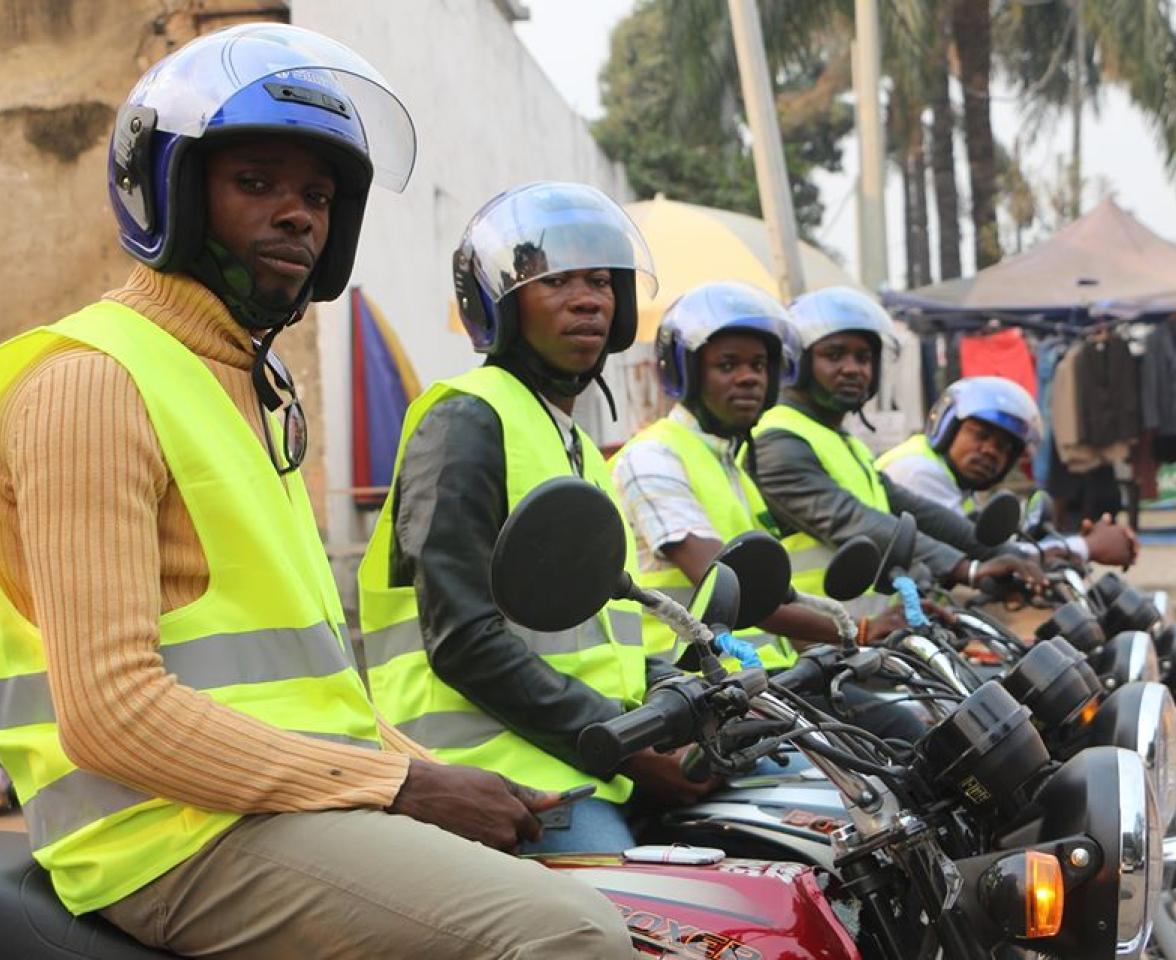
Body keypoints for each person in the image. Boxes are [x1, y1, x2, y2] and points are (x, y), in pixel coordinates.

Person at [0, 26, 632, 960]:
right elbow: (111, 712)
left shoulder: (247, 389)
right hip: (165, 834)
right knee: (571, 936)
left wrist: (425, 769)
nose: (299, 215)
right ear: (170, 189)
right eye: (257, 182)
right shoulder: (95, 379)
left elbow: (312, 690)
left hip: (270, 807)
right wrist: (400, 789)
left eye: (319, 196)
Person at [357, 181, 714, 857]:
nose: (589, 298)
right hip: (500, 780)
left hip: (584, 758)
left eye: (603, 281)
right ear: (502, 304)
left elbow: (604, 641)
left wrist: (692, 690)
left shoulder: (572, 443)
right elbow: (463, 638)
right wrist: (626, 750)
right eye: (558, 281)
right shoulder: (465, 419)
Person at [612, 282, 928, 660]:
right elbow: (730, 584)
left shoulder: (734, 465)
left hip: (763, 678)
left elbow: (778, 591)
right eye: (728, 365)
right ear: (688, 373)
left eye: (760, 365)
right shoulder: (653, 457)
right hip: (691, 687)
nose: (750, 378)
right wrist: (857, 631)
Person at [749, 287, 1048, 612]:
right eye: (835, 355)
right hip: (806, 637)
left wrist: (1013, 556)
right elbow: (852, 520)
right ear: (800, 361)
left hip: (859, 631)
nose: (853, 369)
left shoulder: (841, 441)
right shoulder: (777, 438)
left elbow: (920, 513)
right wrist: (966, 569)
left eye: (864, 358)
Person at [877, 376, 1139, 568]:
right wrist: (1087, 547)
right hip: (875, 627)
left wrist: (1064, 542)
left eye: (1003, 447)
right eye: (980, 435)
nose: (990, 451)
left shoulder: (958, 485)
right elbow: (982, 551)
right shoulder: (918, 471)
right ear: (947, 427)